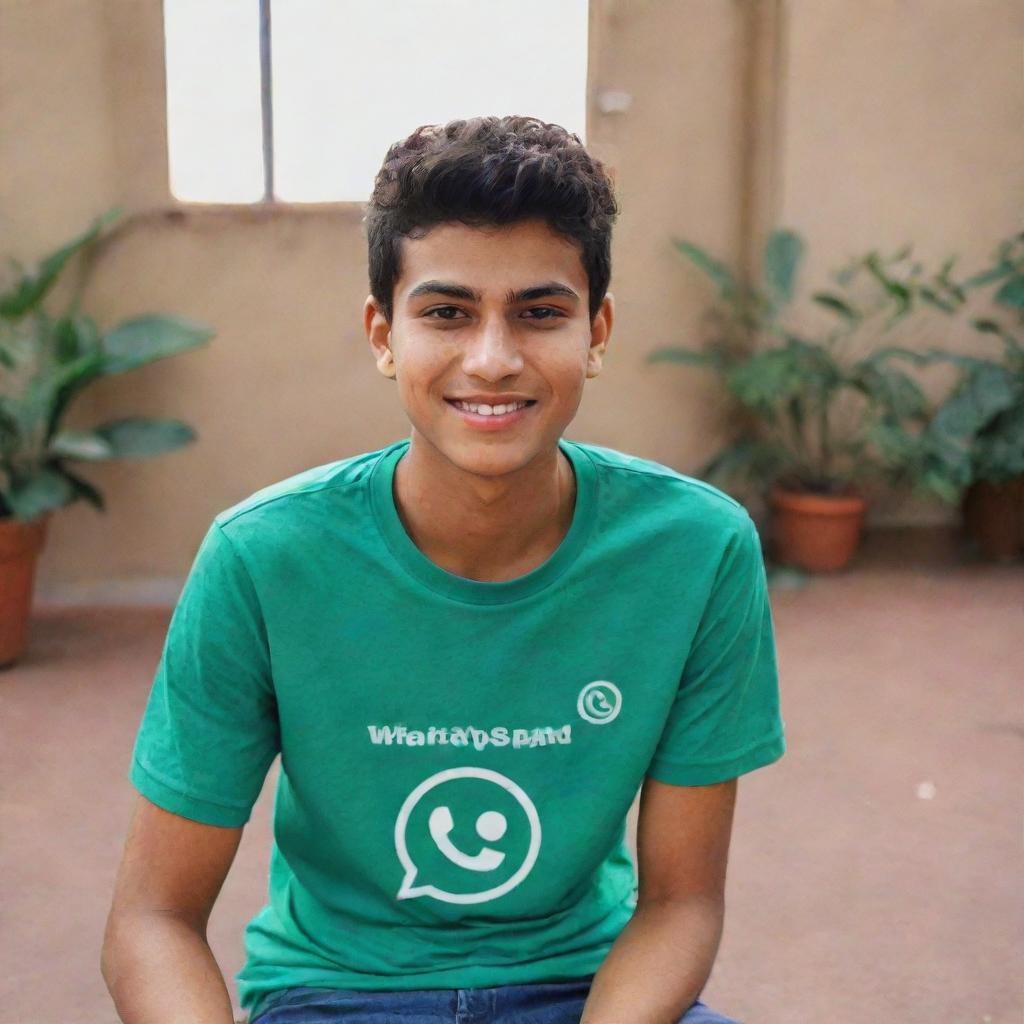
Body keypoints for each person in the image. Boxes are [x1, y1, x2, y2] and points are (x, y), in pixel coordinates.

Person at [101, 114, 786, 1024]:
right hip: (338, 995)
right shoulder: (264, 558)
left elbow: (680, 902)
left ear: (598, 330)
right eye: (447, 312)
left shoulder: (696, 551)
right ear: (384, 334)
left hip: (587, 990)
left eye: (540, 312)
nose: (493, 360)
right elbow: (151, 920)